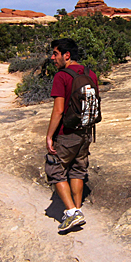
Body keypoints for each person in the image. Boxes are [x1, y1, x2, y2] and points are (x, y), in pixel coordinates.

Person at [45, 38, 99, 232]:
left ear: (67, 55)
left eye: (56, 54)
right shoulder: (90, 73)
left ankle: (71, 212)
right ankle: (77, 209)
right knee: (77, 168)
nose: (53, 58)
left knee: (54, 167)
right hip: (86, 131)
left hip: (67, 133)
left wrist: (49, 136)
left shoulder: (62, 76)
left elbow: (59, 110)